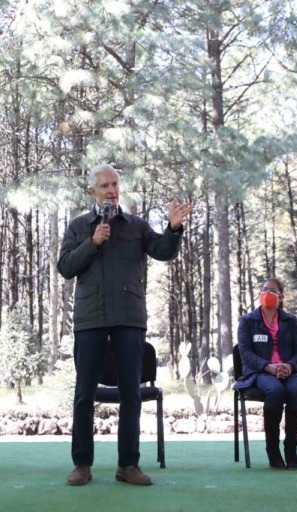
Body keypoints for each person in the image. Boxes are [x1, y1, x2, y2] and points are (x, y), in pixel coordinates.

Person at [58, 163, 192, 486]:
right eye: (104, 186)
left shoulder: (135, 225)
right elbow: (65, 266)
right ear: (92, 192)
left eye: (115, 184)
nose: (112, 191)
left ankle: (128, 465)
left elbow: (162, 251)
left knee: (131, 393)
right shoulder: (79, 226)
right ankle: (82, 465)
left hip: (129, 319)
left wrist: (173, 228)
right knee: (84, 395)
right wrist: (92, 242)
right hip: (90, 320)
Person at [234, 277, 297, 470]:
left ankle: (291, 450)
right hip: (259, 373)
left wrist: (290, 366)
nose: (268, 293)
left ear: (281, 297)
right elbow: (244, 352)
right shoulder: (248, 321)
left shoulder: (290, 320)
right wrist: (268, 366)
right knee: (275, 391)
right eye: (264, 289)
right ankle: (273, 450)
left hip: (289, 372)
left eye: (273, 290)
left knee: (296, 392)